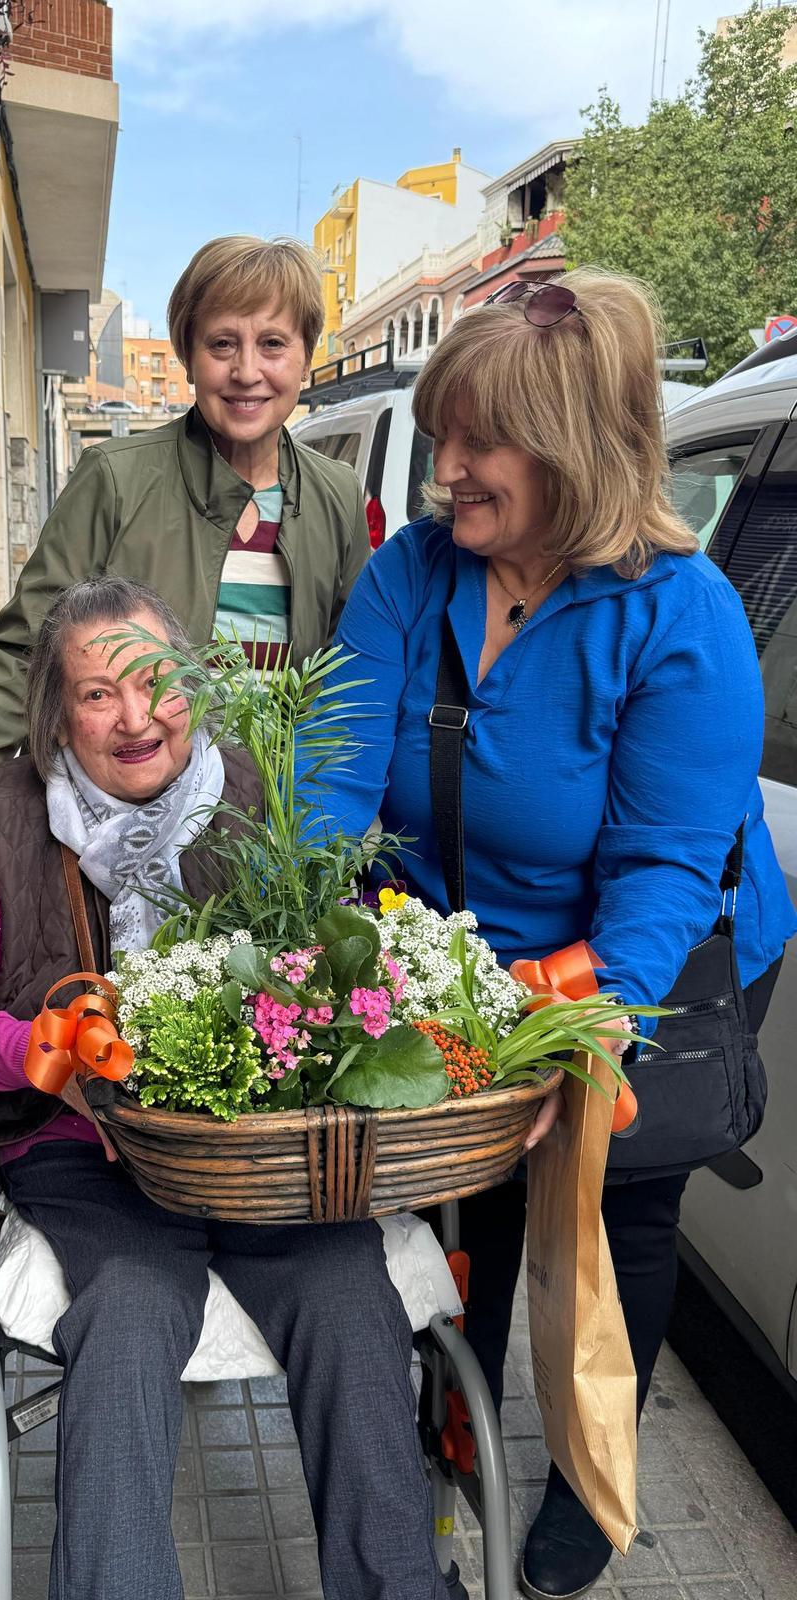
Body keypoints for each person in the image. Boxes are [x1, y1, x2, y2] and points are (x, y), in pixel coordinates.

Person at [302, 268, 796, 1600]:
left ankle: (589, 1471)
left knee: (609, 1212)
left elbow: (661, 867)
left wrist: (574, 1042)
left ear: (572, 447)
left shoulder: (679, 614)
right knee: (466, 1199)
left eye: (481, 442)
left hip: (635, 964)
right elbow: (333, 769)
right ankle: (457, 1423)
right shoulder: (412, 574)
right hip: (461, 954)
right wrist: (312, 927)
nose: (445, 470)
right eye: (442, 434)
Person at [0, 575, 451, 1600]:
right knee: (131, 1309)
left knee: (346, 1293)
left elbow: (353, 950)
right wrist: (42, 1050)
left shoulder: (264, 798)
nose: (135, 717)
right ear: (58, 720)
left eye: (155, 682)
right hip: (87, 1160)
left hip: (259, 1153)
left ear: (195, 685)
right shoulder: (8, 824)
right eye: (98, 695)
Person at [0, 234, 370, 886]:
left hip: (278, 829)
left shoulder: (336, 494)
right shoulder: (116, 479)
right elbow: (27, 650)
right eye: (222, 344)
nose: (247, 371)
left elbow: (355, 680)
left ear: (305, 356)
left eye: (273, 343)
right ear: (188, 355)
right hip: (128, 833)